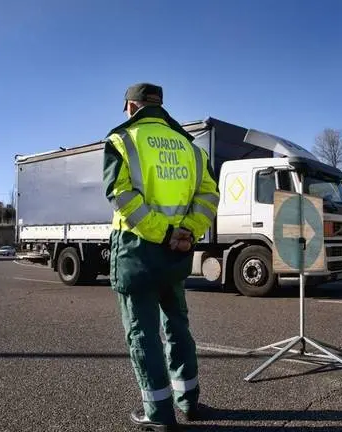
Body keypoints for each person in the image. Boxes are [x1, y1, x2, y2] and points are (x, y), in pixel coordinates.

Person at [102, 83, 219, 431]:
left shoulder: (122, 140)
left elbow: (121, 196)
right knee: (178, 325)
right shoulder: (191, 148)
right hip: (177, 253)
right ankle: (189, 401)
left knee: (142, 334)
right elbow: (209, 196)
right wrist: (187, 232)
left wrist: (162, 233)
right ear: (159, 105)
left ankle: (158, 414)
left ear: (131, 106)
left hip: (137, 251)